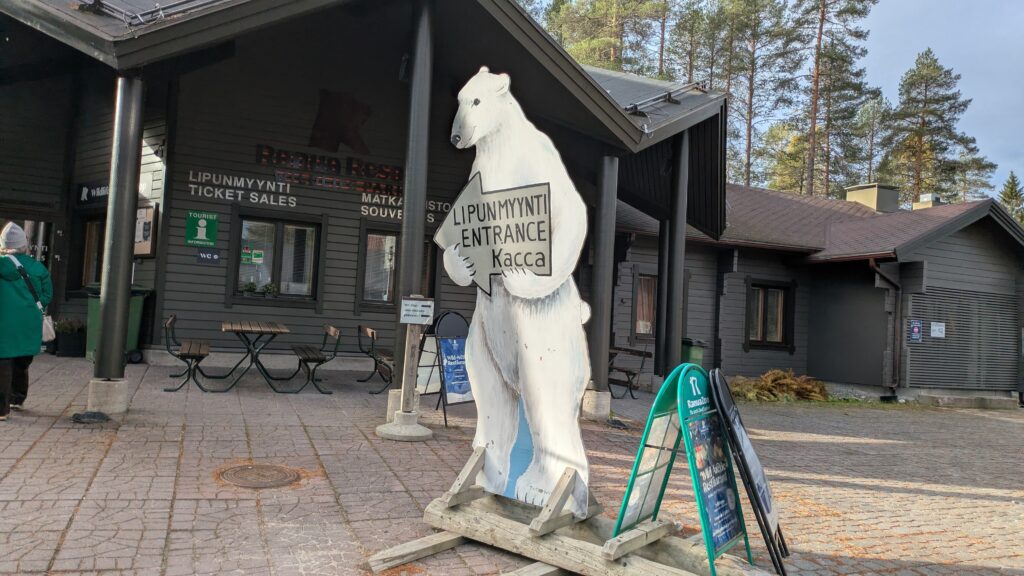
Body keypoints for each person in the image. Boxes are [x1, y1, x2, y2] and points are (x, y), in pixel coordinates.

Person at [0, 222, 52, 421]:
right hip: (29, 324)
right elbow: (47, 295)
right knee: (22, 362)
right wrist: (30, 308)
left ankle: (2, 410)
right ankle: (17, 398)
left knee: (3, 363)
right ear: (24, 244)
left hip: (3, 324)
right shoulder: (37, 267)